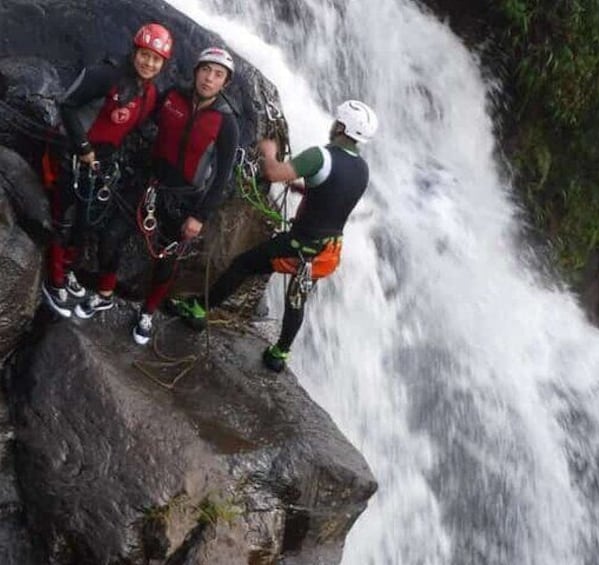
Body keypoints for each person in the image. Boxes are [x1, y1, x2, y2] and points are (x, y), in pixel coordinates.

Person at [168, 100, 378, 372]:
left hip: (299, 243)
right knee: (297, 297)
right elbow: (335, 195)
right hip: (328, 249)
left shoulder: (320, 156)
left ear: (341, 126)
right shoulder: (362, 169)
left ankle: (198, 309)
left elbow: (273, 172)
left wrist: (270, 151)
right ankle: (280, 353)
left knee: (243, 264)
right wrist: (303, 189)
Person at [41, 23, 173, 318]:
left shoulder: (150, 93)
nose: (148, 63)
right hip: (71, 154)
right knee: (64, 219)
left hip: (102, 162)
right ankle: (55, 281)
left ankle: (69, 271)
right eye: (144, 55)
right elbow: (67, 104)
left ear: (163, 64)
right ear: (135, 52)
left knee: (86, 222)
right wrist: (83, 146)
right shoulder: (106, 76)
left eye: (156, 59)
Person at [127, 47, 240, 345]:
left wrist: (199, 216)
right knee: (114, 236)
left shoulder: (227, 122)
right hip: (151, 185)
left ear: (224, 83)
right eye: (206, 70)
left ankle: (147, 313)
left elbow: (222, 176)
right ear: (196, 71)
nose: (209, 79)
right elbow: (143, 118)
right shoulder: (173, 95)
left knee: (166, 261)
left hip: (186, 200)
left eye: (218, 75)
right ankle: (102, 293)